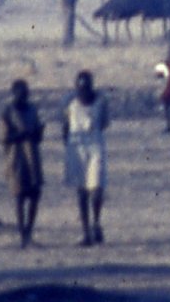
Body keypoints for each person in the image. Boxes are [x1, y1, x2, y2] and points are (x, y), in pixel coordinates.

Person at [61, 70, 110, 246]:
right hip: (76, 147)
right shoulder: (69, 101)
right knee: (81, 190)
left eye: (87, 88)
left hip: (95, 144)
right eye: (81, 88)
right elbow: (65, 125)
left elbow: (104, 123)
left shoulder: (101, 102)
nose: (84, 92)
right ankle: (85, 231)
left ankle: (96, 222)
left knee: (96, 188)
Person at [0, 79, 44, 247]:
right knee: (19, 196)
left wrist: (38, 133)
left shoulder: (32, 109)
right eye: (21, 93)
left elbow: (38, 137)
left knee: (35, 195)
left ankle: (29, 231)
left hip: (33, 157)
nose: (25, 96)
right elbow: (4, 138)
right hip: (16, 157)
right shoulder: (7, 112)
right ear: (14, 93)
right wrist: (22, 134)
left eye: (26, 93)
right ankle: (22, 234)